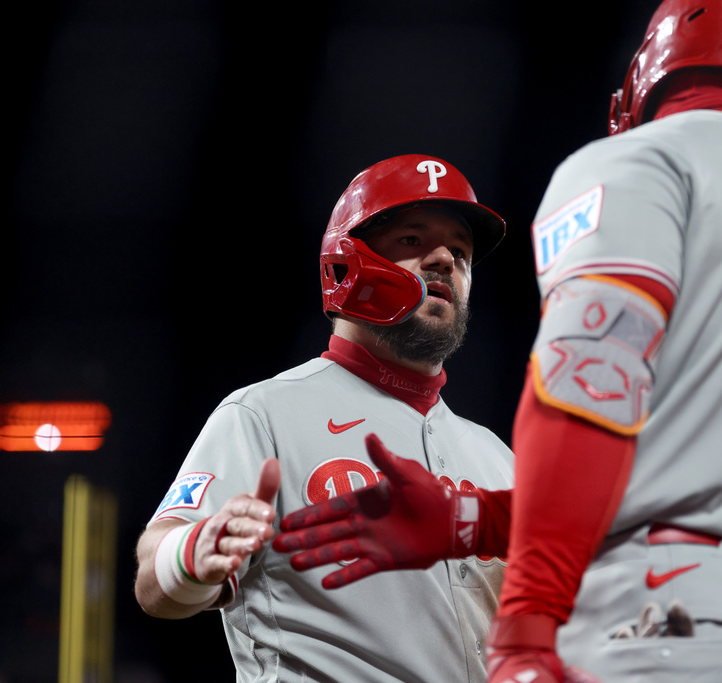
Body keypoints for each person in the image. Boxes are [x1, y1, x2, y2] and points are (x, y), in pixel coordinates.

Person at [274, 1, 722, 682]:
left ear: (655, 64)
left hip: (676, 609)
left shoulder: (644, 162)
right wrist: (467, 520)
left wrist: (524, 630)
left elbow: (589, 395)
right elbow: (698, 471)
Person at [133, 153, 516, 682]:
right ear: (349, 260)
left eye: (462, 251)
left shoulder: (497, 457)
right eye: (412, 240)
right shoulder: (264, 413)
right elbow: (154, 583)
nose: (446, 260)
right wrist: (195, 553)